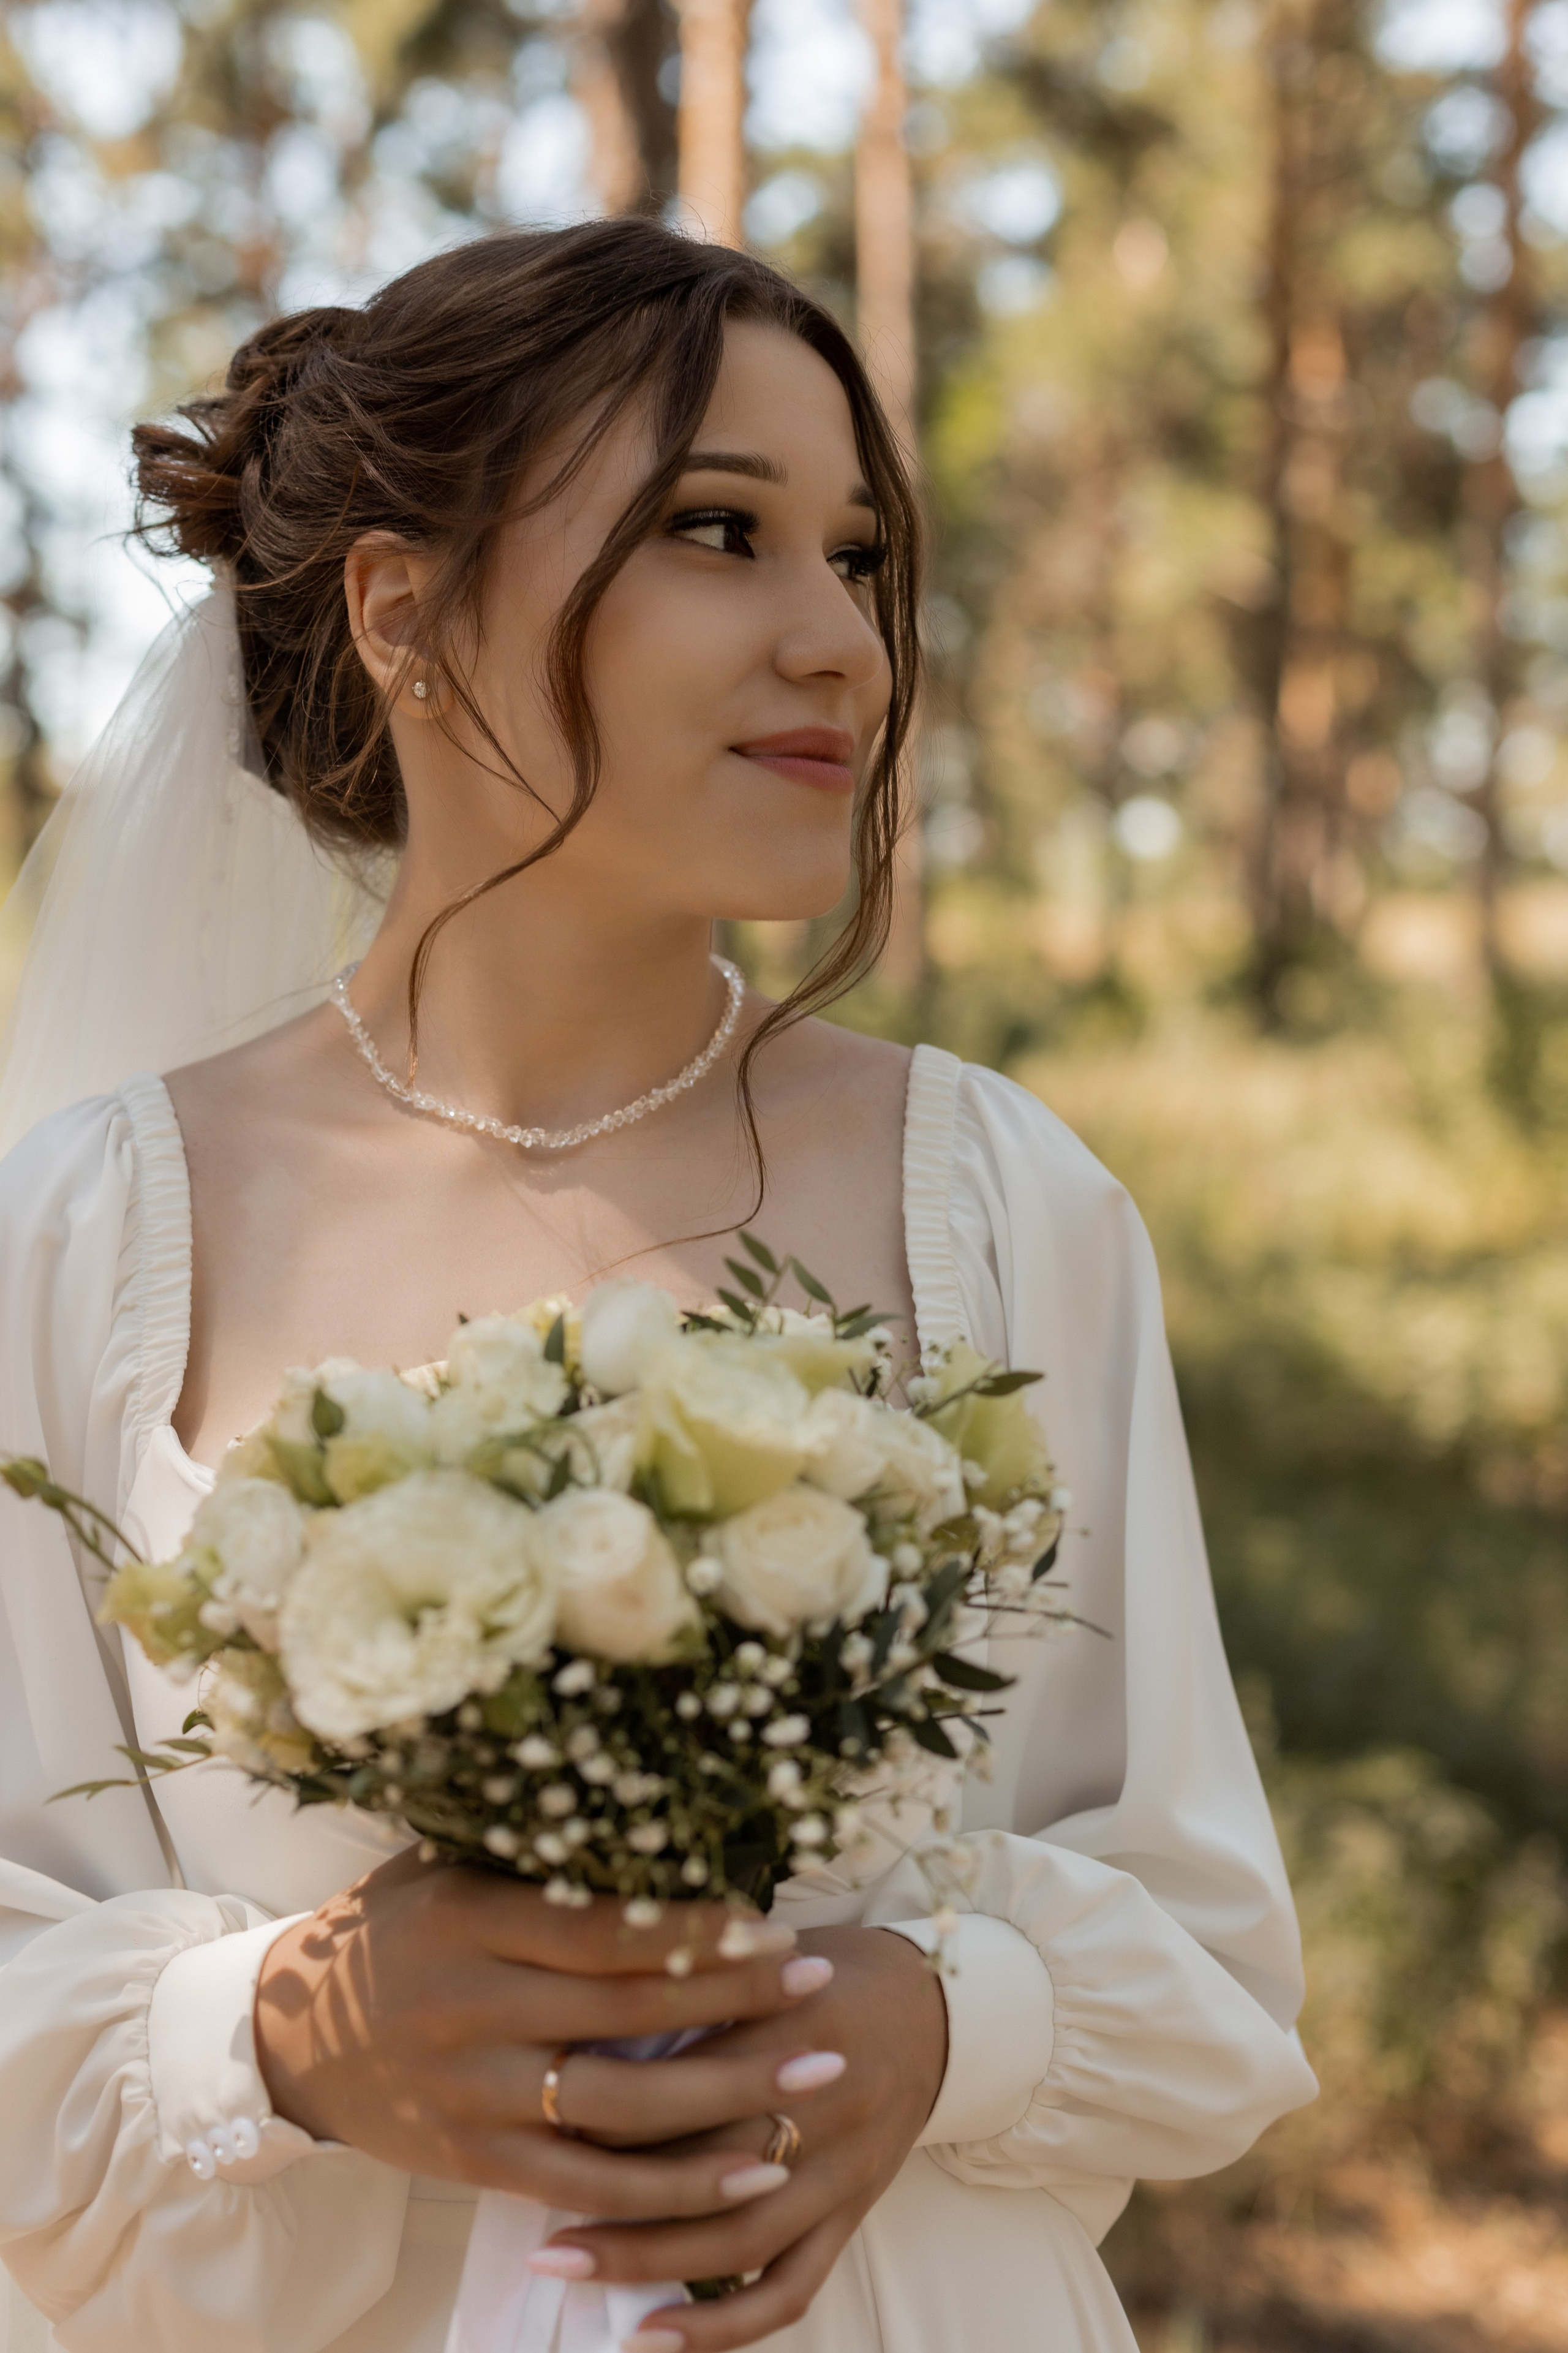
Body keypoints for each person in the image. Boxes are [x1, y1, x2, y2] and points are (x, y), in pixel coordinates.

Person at [0, 219, 1315, 2353]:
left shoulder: (1003, 1195)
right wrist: (280, 2033)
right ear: (406, 616)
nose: (846, 649)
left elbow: (1211, 1938)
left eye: (859, 557)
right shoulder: (81, 1239)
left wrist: (944, 2017)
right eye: (723, 532)